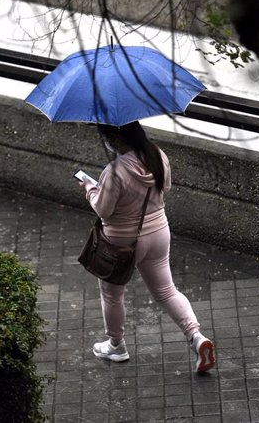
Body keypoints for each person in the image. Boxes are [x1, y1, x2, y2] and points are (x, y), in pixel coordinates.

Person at [78, 121, 215, 374]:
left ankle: (116, 346)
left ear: (114, 139)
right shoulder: (157, 155)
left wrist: (90, 189)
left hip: (122, 241)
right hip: (159, 232)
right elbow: (166, 188)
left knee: (112, 294)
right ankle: (196, 337)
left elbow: (104, 209)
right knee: (167, 290)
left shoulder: (115, 171)